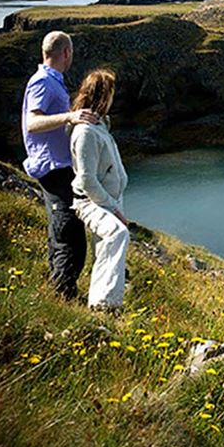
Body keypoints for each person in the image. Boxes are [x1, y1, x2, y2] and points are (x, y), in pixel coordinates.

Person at [21, 31, 97, 300]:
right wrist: (70, 117)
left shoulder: (53, 80)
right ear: (66, 53)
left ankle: (59, 290)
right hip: (53, 168)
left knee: (63, 232)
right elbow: (32, 122)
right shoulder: (42, 82)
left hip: (58, 167)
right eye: (71, 53)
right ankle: (64, 296)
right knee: (70, 236)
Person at [68, 69, 129, 311]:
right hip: (92, 201)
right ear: (103, 95)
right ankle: (105, 305)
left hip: (109, 198)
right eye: (111, 92)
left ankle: (100, 304)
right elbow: (87, 179)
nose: (114, 98)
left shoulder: (99, 123)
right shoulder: (85, 132)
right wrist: (114, 209)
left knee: (103, 249)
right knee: (117, 234)